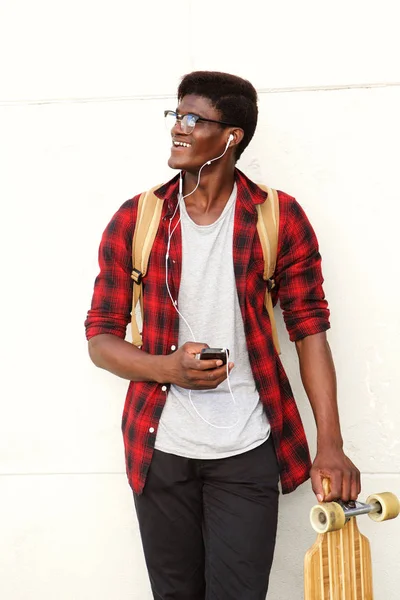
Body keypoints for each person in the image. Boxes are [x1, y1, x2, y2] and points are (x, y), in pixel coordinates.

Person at [85, 71, 360, 599]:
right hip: (160, 447)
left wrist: (332, 444)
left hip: (248, 447)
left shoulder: (277, 217)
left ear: (231, 136)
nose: (177, 130)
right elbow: (100, 337)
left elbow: (310, 331)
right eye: (176, 116)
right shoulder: (137, 219)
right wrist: (168, 368)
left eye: (193, 119)